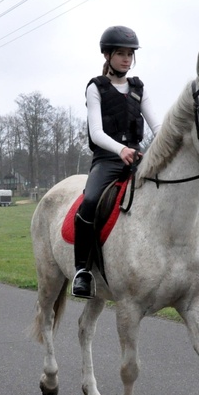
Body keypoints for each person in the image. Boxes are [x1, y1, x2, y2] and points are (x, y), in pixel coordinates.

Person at [71, 26, 162, 299]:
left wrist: (166, 146)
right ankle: (82, 271)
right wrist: (121, 149)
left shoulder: (138, 88)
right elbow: (97, 133)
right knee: (90, 201)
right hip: (108, 159)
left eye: (130, 54)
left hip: (137, 158)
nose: (126, 59)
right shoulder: (95, 88)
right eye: (121, 54)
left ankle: (185, 267)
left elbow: (157, 126)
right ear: (108, 55)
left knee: (170, 195)